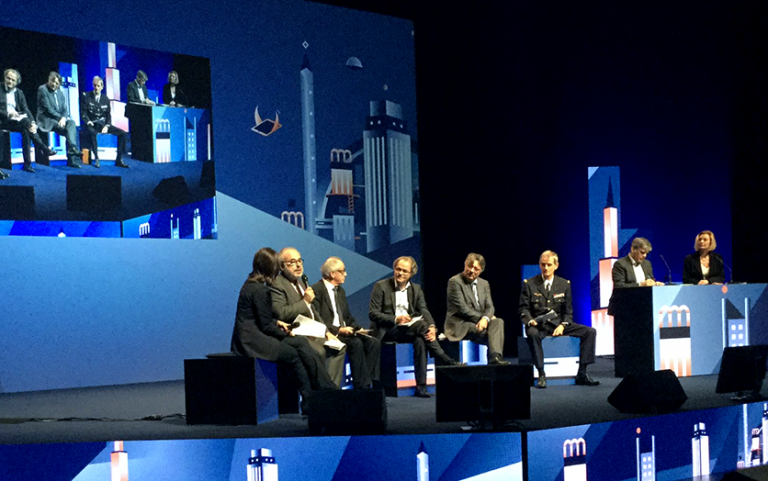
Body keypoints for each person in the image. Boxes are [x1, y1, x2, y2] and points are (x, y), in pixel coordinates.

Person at [230, 247, 337, 415]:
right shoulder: (261, 290)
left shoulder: (250, 284)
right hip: (253, 341)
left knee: (300, 344)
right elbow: (265, 326)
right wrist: (287, 333)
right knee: (295, 354)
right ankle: (320, 394)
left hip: (250, 336)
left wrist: (278, 323)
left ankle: (320, 393)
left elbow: (262, 318)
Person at [369, 256, 463, 398]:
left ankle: (421, 386)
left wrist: (432, 327)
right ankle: (444, 358)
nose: (400, 273)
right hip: (388, 329)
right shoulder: (381, 286)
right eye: (398, 269)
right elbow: (373, 313)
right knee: (421, 327)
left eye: (405, 271)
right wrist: (396, 319)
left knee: (420, 340)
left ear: (411, 274)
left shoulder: (416, 289)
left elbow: (423, 310)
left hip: (410, 329)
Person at [519, 250, 599, 388]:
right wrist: (529, 320)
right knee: (532, 334)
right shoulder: (530, 283)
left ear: (556, 266)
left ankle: (582, 373)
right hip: (538, 324)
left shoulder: (564, 284)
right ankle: (541, 374)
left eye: (549, 265)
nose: (545, 268)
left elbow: (568, 311)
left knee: (590, 332)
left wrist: (563, 325)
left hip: (558, 323)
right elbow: (523, 309)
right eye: (543, 264)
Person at [270, 247, 347, 387]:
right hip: (295, 333)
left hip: (313, 331)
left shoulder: (301, 282)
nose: (298, 265)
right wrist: (305, 301)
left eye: (300, 261)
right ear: (282, 266)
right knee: (319, 351)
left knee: (339, 347)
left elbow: (313, 312)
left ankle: (330, 391)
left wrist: (327, 332)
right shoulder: (276, 284)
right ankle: (322, 391)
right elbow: (281, 313)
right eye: (292, 262)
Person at [312, 257, 381, 390]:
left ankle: (371, 383)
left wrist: (357, 327)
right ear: (332, 273)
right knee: (356, 344)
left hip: (346, 331)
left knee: (373, 343)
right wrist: (338, 330)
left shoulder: (340, 291)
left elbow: (347, 316)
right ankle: (362, 387)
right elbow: (317, 319)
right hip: (331, 333)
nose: (345, 274)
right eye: (342, 271)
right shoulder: (317, 290)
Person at [444, 253, 509, 365]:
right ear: (465, 264)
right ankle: (493, 361)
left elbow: (490, 306)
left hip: (480, 322)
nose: (472, 271)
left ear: (481, 271)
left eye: (476, 269)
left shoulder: (484, 284)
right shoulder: (454, 282)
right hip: (461, 323)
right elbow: (462, 309)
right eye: (470, 266)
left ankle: (495, 357)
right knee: (491, 333)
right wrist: (483, 319)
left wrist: (485, 318)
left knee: (498, 322)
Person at [0, 69, 55, 176]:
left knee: (26, 130)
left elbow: (26, 109)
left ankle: (27, 164)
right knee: (25, 123)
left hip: (16, 121)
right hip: (3, 120)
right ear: (4, 78)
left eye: (13, 80)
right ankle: (43, 147)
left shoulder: (19, 93)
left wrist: (33, 122)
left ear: (17, 82)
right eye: (8, 78)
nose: (10, 82)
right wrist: (8, 113)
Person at [36, 71, 82, 169]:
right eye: (53, 81)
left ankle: (72, 151)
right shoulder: (42, 89)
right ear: (48, 79)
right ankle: (72, 153)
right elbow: (48, 109)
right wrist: (60, 118)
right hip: (46, 120)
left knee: (71, 124)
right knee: (68, 129)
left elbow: (65, 109)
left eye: (57, 83)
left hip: (58, 120)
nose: (54, 84)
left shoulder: (60, 93)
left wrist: (64, 118)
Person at [80, 76, 128, 168]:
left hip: (102, 124)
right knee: (92, 133)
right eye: (94, 85)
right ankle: (97, 158)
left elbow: (108, 115)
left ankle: (119, 159)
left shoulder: (105, 99)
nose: (96, 88)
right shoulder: (86, 96)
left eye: (98, 86)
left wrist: (107, 125)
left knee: (123, 133)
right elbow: (83, 112)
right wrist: (88, 121)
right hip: (92, 123)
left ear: (102, 87)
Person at [608, 237, 664, 315]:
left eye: (646, 253)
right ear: (633, 249)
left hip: (644, 307)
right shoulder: (620, 264)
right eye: (642, 252)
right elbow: (619, 287)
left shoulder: (647, 264)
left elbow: (650, 280)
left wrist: (655, 284)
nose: (645, 256)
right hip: (624, 309)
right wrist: (641, 284)